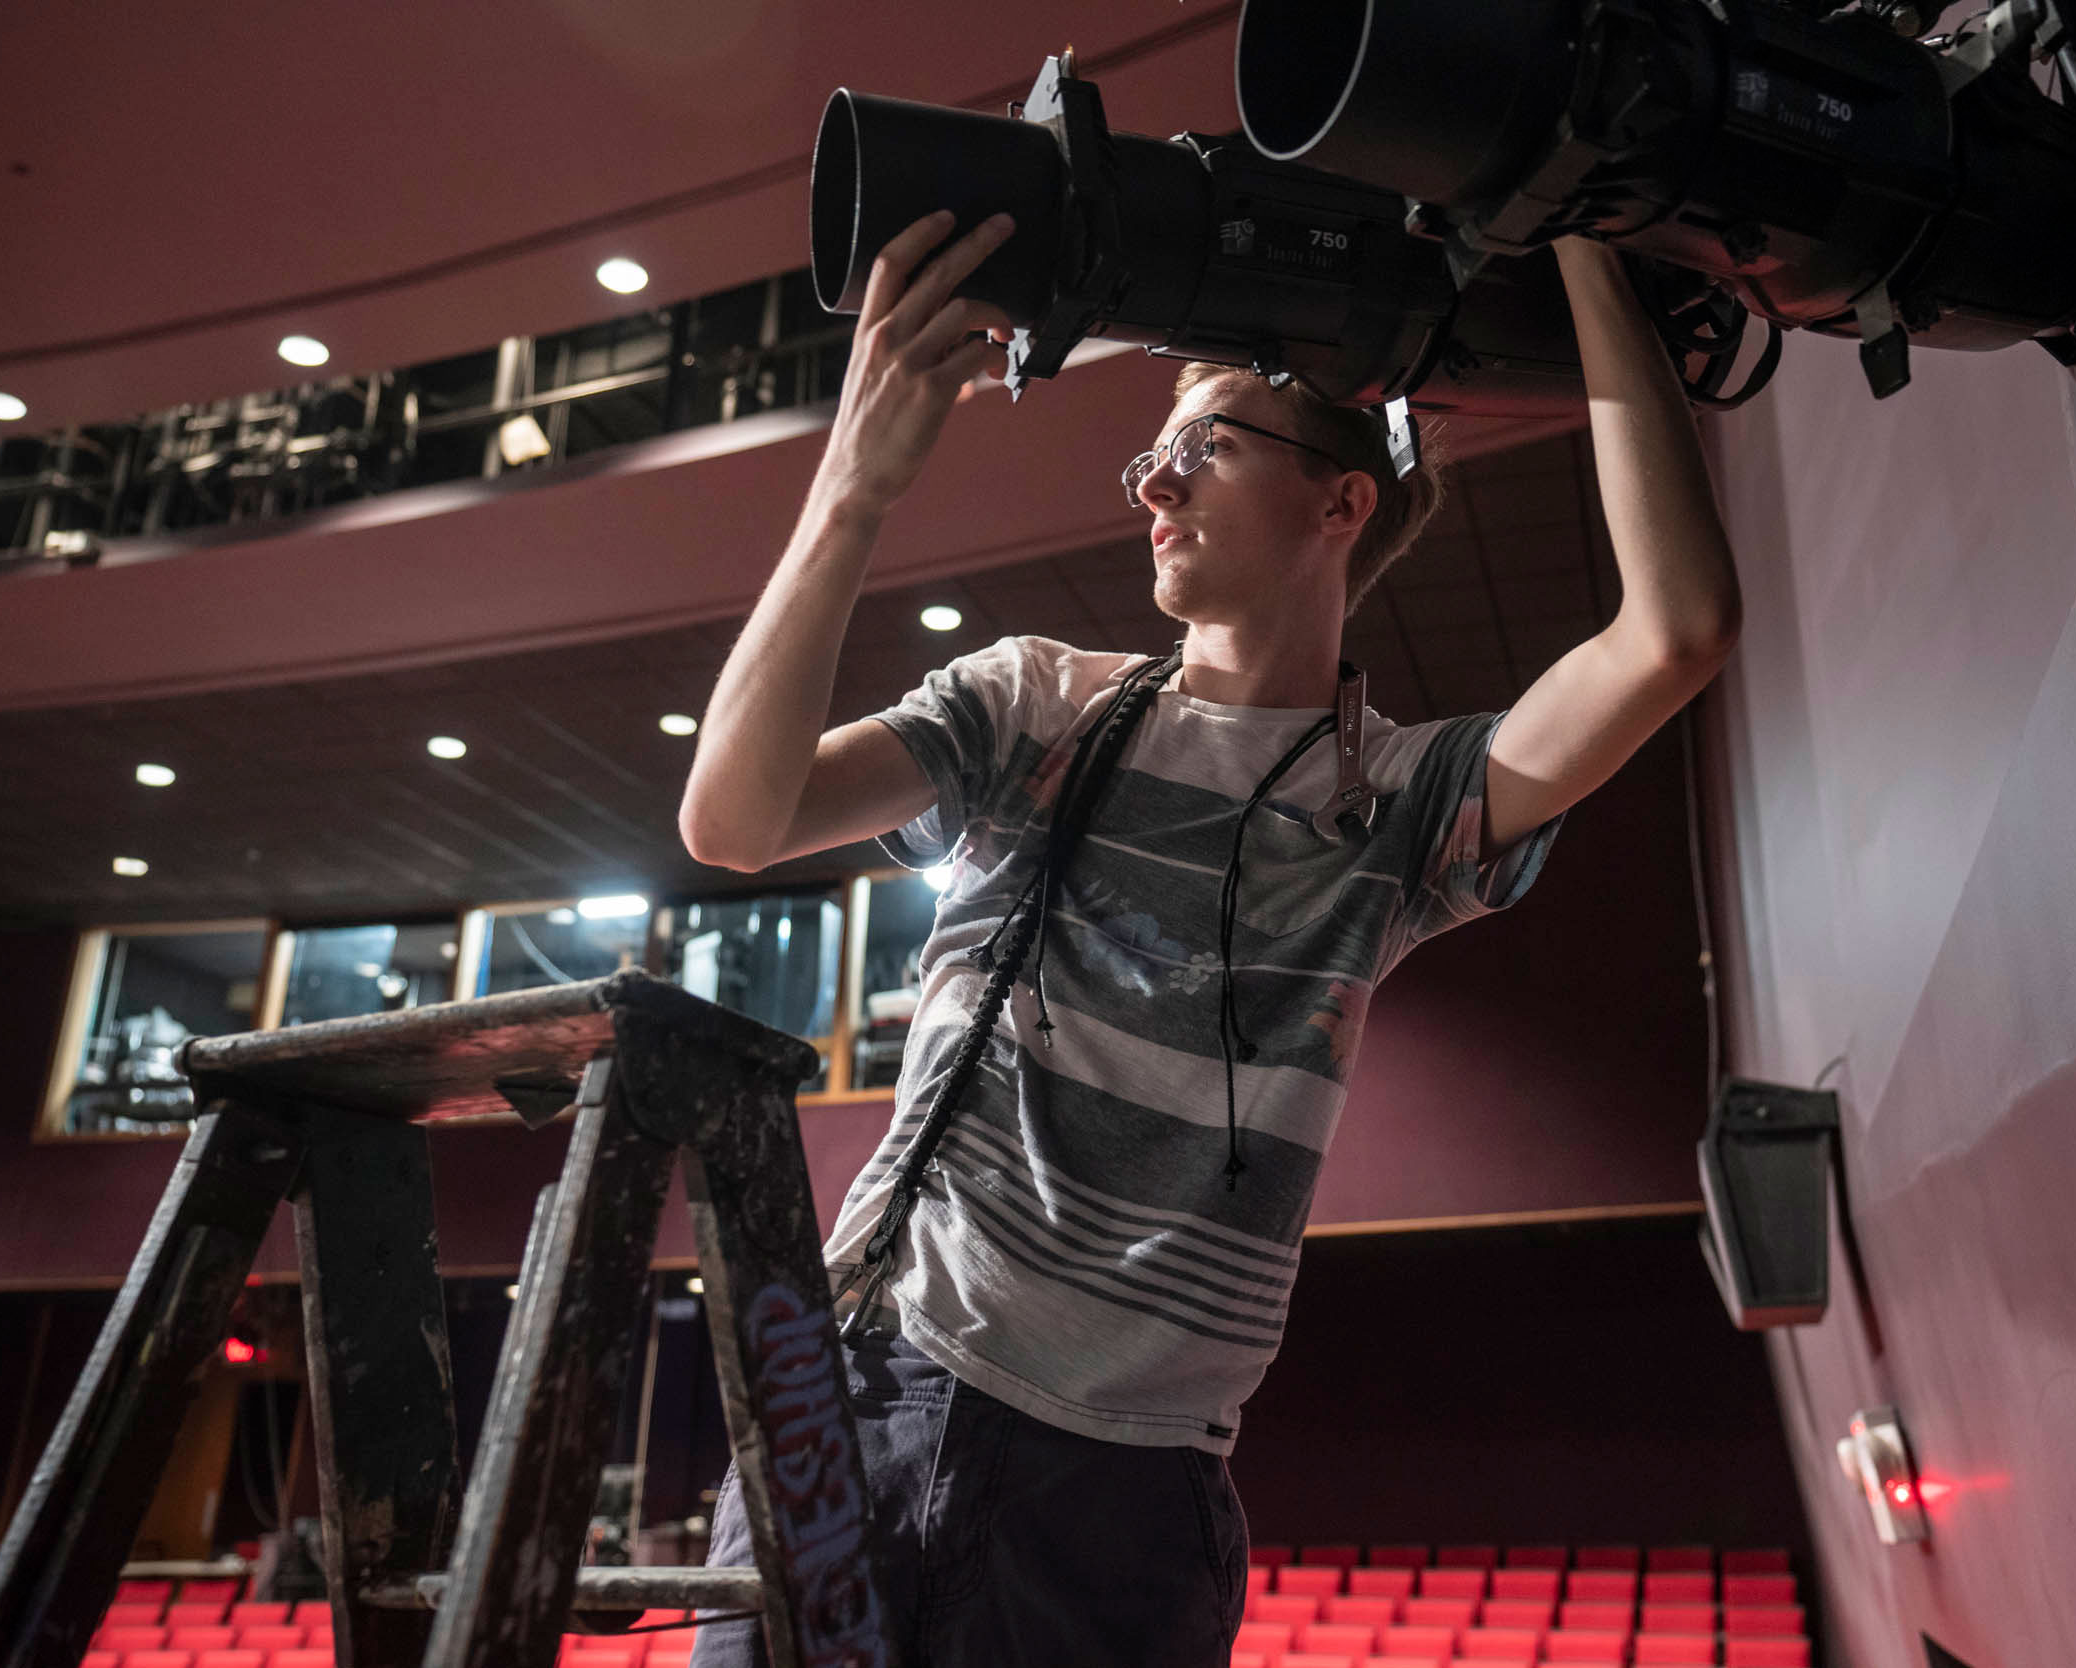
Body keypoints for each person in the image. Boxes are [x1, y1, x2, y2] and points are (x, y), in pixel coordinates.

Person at [680, 206, 1740, 1668]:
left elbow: (1677, 630)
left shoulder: (1397, 806)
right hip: (867, 1387)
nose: (1153, 485)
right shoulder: (1035, 701)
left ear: (1340, 502)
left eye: (1209, 443)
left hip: (1129, 1481)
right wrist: (854, 487)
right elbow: (735, 822)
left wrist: (1571, 237)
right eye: (1150, 457)